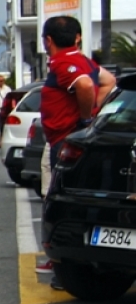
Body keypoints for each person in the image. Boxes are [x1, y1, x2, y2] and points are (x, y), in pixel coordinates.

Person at [38, 15, 115, 191]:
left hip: (64, 139)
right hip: (71, 137)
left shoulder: (63, 62)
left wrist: (86, 118)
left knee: (63, 193)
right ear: (77, 37)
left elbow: (85, 84)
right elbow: (109, 81)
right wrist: (94, 108)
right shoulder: (86, 61)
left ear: (48, 40)